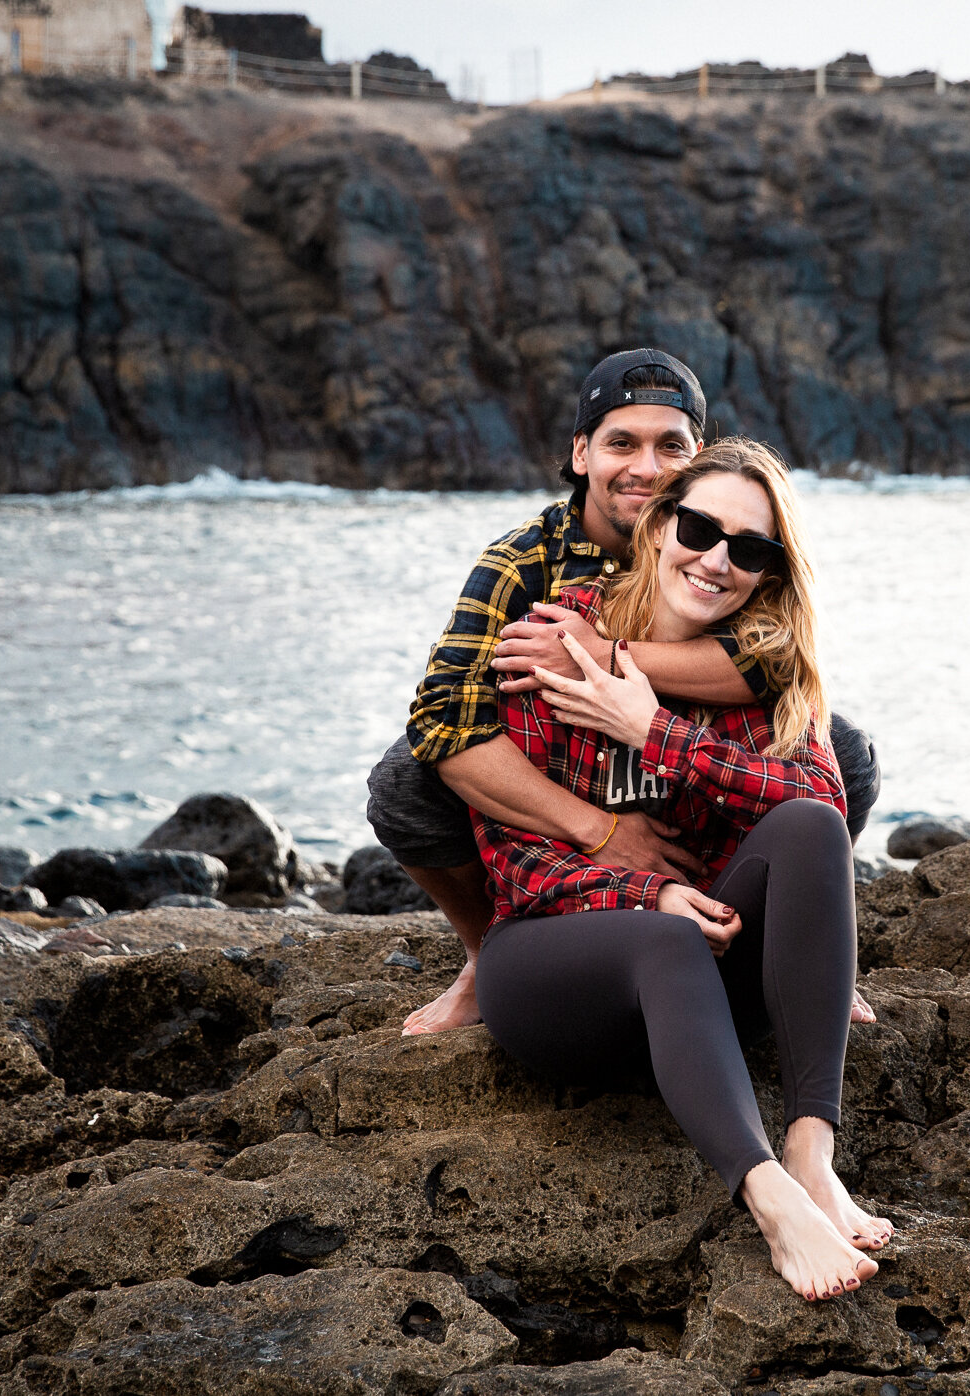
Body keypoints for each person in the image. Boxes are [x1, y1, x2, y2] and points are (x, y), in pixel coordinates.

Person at [471, 439, 890, 1303]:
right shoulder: (559, 634)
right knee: (665, 937)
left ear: (771, 571)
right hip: (557, 974)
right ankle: (769, 1198)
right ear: (659, 524)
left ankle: (812, 1153)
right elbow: (512, 855)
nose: (716, 560)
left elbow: (815, 798)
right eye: (699, 528)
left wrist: (656, 733)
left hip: (708, 989)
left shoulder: (769, 661)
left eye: (750, 548)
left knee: (810, 824)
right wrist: (646, 887)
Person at [362, 349, 880, 1035]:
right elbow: (443, 723)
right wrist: (600, 833)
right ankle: (488, 950)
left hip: (685, 772)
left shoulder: (719, 539)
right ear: (581, 453)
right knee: (404, 779)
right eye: (620, 443)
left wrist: (604, 654)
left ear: (700, 461)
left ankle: (802, 944)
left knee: (841, 751)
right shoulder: (524, 564)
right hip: (566, 787)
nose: (646, 468)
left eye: (671, 446)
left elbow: (772, 663)